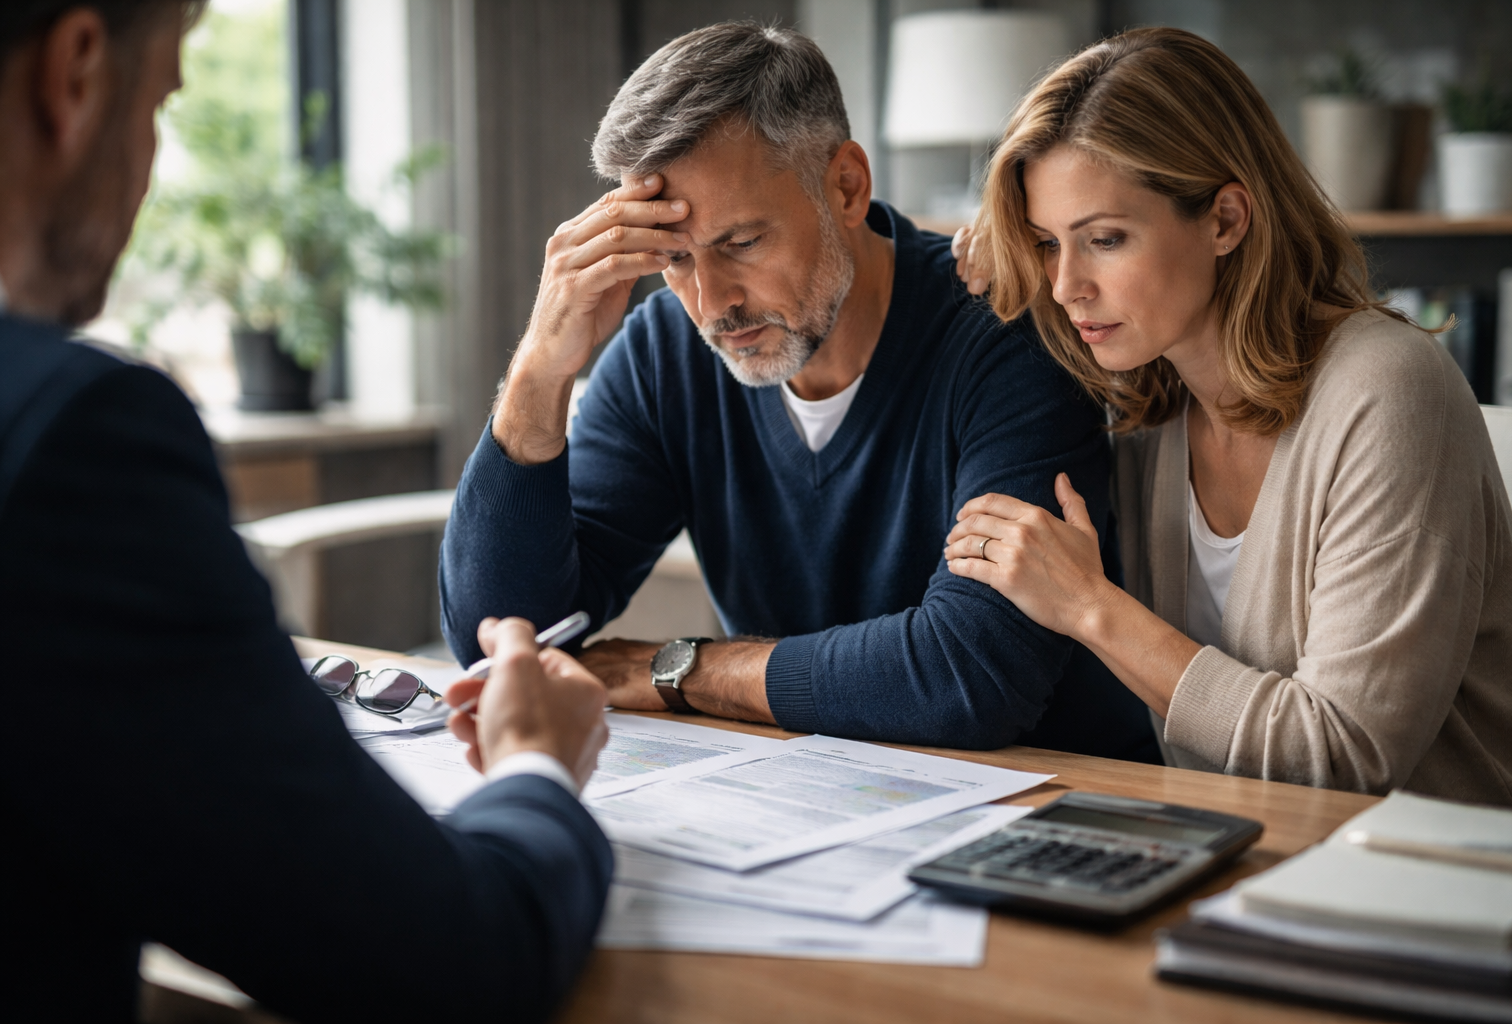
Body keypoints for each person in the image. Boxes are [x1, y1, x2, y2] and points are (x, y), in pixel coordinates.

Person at [0, 3, 613, 1020]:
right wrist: (538, 765)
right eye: (159, 103)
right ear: (74, 74)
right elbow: (449, 960)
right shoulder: (72, 436)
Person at [439, 22, 1158, 760]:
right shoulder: (665, 350)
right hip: (809, 800)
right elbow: (498, 640)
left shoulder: (1003, 331)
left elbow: (967, 676)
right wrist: (540, 372)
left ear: (845, 185)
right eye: (674, 258)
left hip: (1059, 807)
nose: (712, 302)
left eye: (742, 243)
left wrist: (680, 669)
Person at [945, 27, 1512, 804]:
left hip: (1436, 883)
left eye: (1106, 240)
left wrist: (1091, 607)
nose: (1065, 286)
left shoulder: (1389, 390)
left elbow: (1343, 757)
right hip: (1242, 857)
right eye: (1047, 245)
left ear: (1225, 219)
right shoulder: (1146, 403)